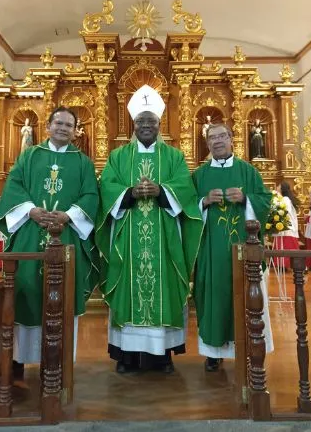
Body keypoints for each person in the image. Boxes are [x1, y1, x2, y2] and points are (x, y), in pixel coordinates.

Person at [95, 85, 203, 374]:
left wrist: (162, 191)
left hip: (164, 237)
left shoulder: (174, 157)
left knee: (164, 290)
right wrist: (129, 193)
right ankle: (126, 357)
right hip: (127, 237)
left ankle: (162, 355)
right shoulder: (118, 157)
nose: (146, 126)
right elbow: (107, 186)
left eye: (151, 121)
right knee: (127, 290)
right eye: (141, 121)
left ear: (159, 124)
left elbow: (186, 189)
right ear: (134, 124)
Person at [0, 106, 98, 382]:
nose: (63, 128)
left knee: (61, 295)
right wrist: (30, 210)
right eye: (59, 123)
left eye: (69, 125)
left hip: (66, 234)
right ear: (49, 126)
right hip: (30, 232)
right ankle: (17, 358)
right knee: (24, 290)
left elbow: (91, 195)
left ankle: (58, 360)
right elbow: (13, 185)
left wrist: (68, 215)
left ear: (76, 131)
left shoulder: (83, 162)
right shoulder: (29, 155)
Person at [192, 123, 273, 372]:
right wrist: (203, 202)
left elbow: (265, 201)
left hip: (243, 249)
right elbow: (186, 209)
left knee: (247, 295)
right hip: (211, 252)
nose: (217, 141)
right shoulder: (199, 175)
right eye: (211, 138)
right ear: (207, 144)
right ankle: (214, 352)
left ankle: (250, 346)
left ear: (231, 139)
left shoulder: (248, 171)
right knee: (212, 296)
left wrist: (247, 199)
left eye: (221, 136)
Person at [273, 181, 300, 270]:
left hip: (286, 229)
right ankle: (283, 265)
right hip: (286, 228)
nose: (277, 187)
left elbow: (283, 211)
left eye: (278, 186)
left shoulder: (285, 199)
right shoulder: (285, 199)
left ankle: (286, 265)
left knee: (287, 248)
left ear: (281, 188)